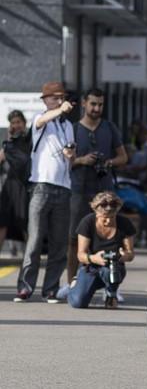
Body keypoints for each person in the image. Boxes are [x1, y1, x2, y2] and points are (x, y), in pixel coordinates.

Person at [62, 88, 127, 299]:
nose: (97, 108)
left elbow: (123, 157)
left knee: (110, 239)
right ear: (83, 103)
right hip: (79, 190)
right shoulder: (72, 129)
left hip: (104, 192)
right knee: (74, 238)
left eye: (100, 104)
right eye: (93, 104)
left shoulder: (109, 128)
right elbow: (65, 161)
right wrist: (81, 160)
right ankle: (72, 283)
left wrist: (108, 162)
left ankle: (112, 288)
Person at [15, 81, 76, 303]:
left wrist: (72, 156)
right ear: (46, 100)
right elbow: (41, 121)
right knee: (35, 239)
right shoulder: (40, 119)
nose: (59, 101)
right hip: (40, 186)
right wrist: (58, 110)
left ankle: (50, 288)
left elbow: (72, 154)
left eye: (62, 98)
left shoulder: (68, 126)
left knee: (59, 242)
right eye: (55, 98)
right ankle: (25, 287)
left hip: (64, 187)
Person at [68, 191, 136, 309]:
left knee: (109, 270)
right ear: (96, 213)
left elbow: (131, 254)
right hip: (91, 267)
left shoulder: (124, 223)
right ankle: (75, 285)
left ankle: (111, 294)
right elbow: (80, 255)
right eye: (105, 218)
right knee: (78, 303)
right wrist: (94, 258)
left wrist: (125, 255)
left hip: (114, 268)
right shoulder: (87, 222)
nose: (108, 221)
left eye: (112, 217)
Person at [0, 110, 30, 255]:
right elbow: (1, 157)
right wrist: (10, 137)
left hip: (23, 186)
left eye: (18, 122)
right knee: (2, 221)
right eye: (13, 123)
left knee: (25, 223)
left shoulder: (30, 140)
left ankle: (30, 258)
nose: (16, 125)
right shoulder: (9, 142)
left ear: (24, 123)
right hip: (9, 186)